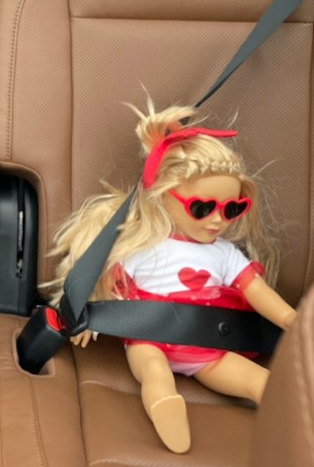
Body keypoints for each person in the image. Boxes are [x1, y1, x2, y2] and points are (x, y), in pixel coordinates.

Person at [45, 101, 297, 454]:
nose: (217, 220)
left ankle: (297, 436)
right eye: (201, 207)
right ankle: (165, 407)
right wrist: (87, 317)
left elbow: (257, 293)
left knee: (264, 383)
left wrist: (295, 322)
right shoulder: (144, 245)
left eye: (232, 208)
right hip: (148, 338)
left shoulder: (223, 254)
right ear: (164, 197)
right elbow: (103, 281)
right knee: (154, 372)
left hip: (208, 349)